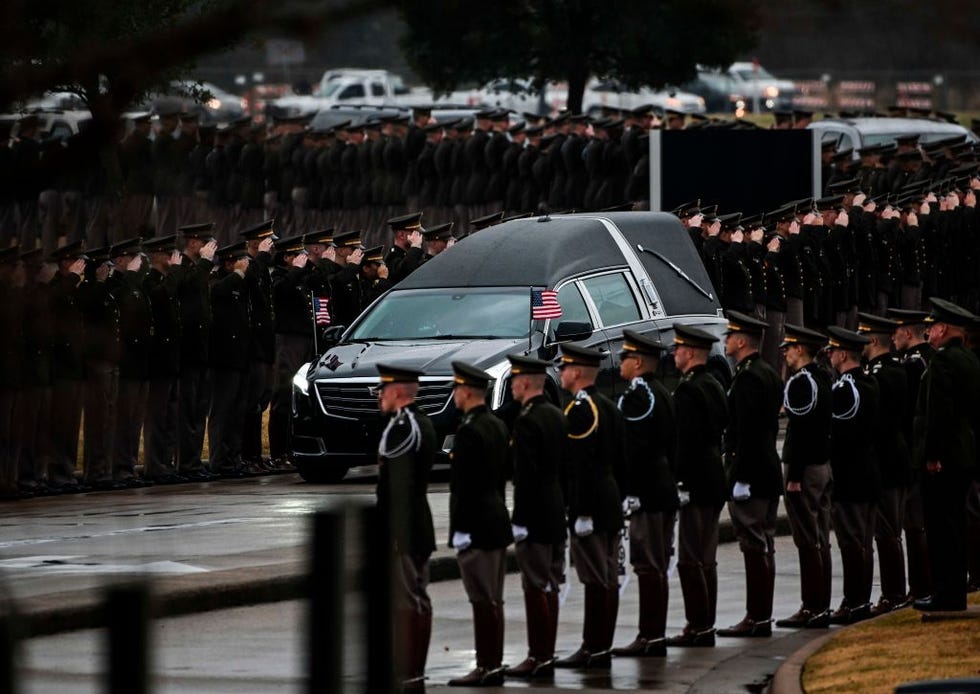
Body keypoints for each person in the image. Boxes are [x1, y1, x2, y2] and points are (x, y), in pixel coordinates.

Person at [554, 344, 624, 669]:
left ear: (577, 373)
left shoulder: (580, 410)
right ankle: (602, 646)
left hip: (592, 506)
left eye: (564, 367)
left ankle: (593, 647)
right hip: (609, 500)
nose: (560, 373)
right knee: (607, 576)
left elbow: (581, 466)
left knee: (596, 578)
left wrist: (580, 512)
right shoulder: (608, 406)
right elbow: (620, 459)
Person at [610, 330, 677, 658]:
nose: (620, 362)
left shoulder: (637, 397)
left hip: (647, 493)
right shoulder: (662, 393)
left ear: (637, 362)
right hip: (662, 489)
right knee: (657, 565)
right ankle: (655, 635)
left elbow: (633, 451)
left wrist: (630, 492)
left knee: (648, 565)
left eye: (624, 357)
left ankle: (650, 636)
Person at [716, 312, 784, 638]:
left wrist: (740, 476)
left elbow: (748, 432)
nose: (726, 341)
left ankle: (757, 617)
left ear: (742, 341)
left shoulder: (747, 378)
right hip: (767, 470)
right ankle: (761, 616)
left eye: (730, 336)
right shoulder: (767, 372)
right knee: (763, 544)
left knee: (755, 546)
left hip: (753, 475)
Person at [447, 361, 512, 687]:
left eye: (456, 389)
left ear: (468, 391)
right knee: (493, 598)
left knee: (482, 599)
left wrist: (459, 529)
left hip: (477, 525)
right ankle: (493, 663)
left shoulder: (469, 431)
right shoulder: (497, 425)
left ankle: (487, 665)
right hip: (497, 518)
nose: (454, 394)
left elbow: (464, 488)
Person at [502, 354, 567, 679]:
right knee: (551, 585)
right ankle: (548, 654)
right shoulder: (557, 415)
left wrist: (521, 521)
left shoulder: (527, 421)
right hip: (555, 511)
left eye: (515, 380)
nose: (512, 386)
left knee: (535, 586)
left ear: (526, 383)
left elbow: (525, 477)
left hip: (535, 514)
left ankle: (538, 655)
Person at [913, 298, 980, 612]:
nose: (928, 333)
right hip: (965, 451)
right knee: (955, 525)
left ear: (943, 328)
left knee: (941, 528)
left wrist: (932, 454)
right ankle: (953, 590)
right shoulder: (969, 359)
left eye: (932, 327)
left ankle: (946, 593)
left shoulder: (941, 362)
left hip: (946, 455)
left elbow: (939, 412)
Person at [374, 363, 437, 693]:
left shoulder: (404, 427)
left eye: (383, 391)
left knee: (408, 601)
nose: (379, 397)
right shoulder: (417, 422)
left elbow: (394, 488)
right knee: (415, 599)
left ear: (397, 391)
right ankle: (412, 670)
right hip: (416, 524)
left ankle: (410, 671)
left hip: (404, 528)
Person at [666, 325, 728, 648]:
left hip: (696, 482)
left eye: (678, 349)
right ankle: (706, 622)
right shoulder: (714, 384)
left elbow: (686, 443)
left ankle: (699, 624)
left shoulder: (689, 390)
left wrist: (681, 482)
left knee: (692, 558)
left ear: (690, 353)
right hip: (713, 477)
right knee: (707, 556)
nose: (674, 354)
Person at [775, 324, 834, 629]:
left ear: (801, 349)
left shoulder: (801, 382)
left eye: (789, 346)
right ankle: (820, 604)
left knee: (808, 539)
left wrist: (794, 475)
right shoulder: (824, 376)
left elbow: (800, 430)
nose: (784, 351)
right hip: (823, 465)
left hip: (805, 468)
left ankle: (813, 606)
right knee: (820, 536)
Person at [856, 312, 912, 614]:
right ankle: (897, 590)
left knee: (887, 531)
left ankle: (893, 593)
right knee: (892, 530)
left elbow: (875, 422)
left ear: (872, 340)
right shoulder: (897, 369)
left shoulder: (878, 375)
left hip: (886, 460)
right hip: (897, 455)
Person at [825, 326, 880, 624]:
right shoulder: (870, 383)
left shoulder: (845, 388)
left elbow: (839, 435)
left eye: (832, 351)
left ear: (843, 354)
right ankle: (859, 600)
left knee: (852, 542)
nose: (830, 356)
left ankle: (855, 601)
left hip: (850, 475)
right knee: (862, 542)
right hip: (868, 472)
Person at [888, 308, 934, 601]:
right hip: (925, 451)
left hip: (914, 453)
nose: (893, 338)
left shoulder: (912, 365)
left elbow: (907, 415)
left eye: (896, 333)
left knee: (915, 525)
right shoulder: (930, 359)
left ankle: (920, 586)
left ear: (907, 333)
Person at [385, 211, 425, 284]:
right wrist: (415, 247)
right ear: (402, 235)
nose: (419, 236)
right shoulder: (392, 257)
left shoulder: (412, 254)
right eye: (415, 233)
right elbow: (406, 271)